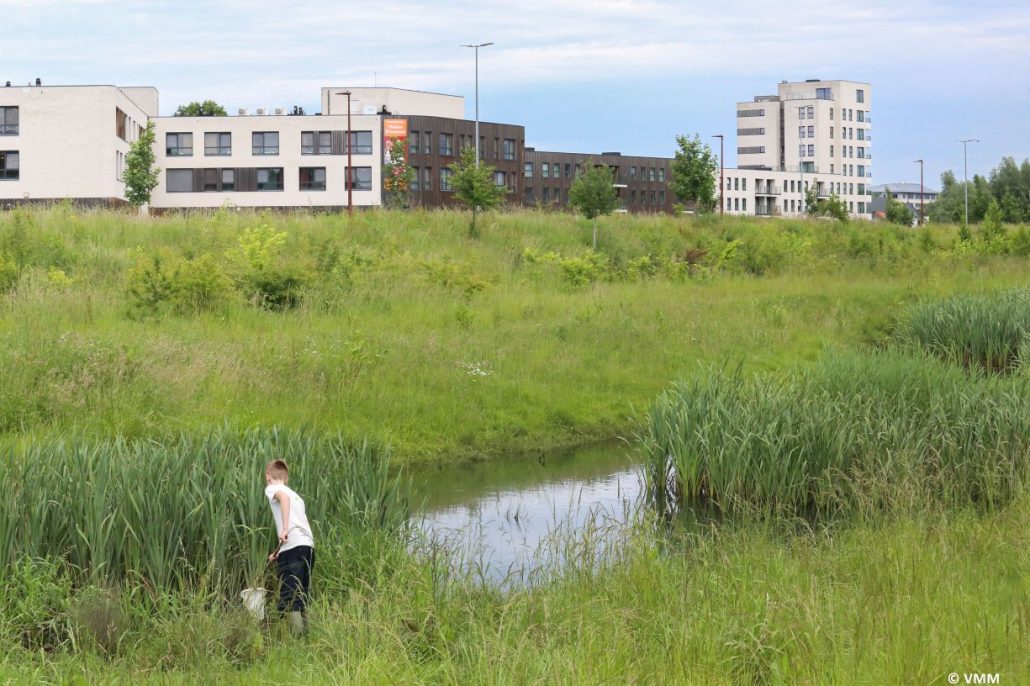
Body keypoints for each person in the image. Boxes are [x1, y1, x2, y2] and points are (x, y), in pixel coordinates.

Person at [264, 459, 315, 636]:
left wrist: (284, 528)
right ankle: (307, 639)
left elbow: (283, 499)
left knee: (290, 596)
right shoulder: (296, 496)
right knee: (301, 595)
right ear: (286, 478)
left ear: (268, 476)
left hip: (293, 548)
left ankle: (296, 640)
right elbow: (297, 527)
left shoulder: (272, 488)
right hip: (307, 547)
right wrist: (277, 551)